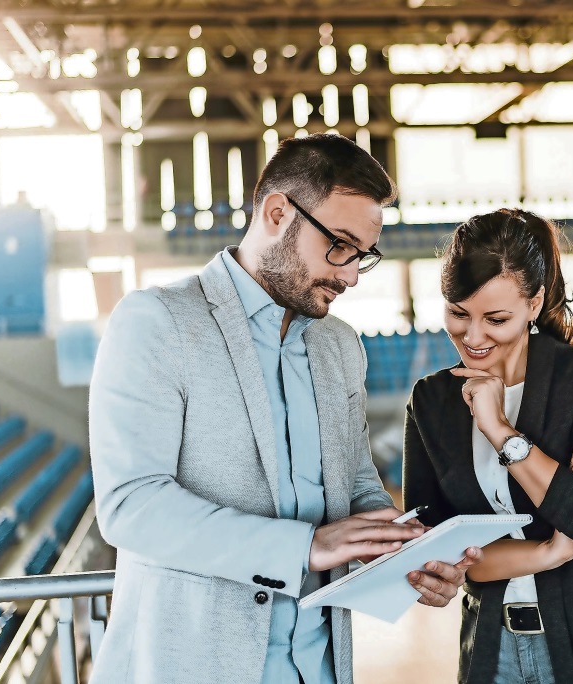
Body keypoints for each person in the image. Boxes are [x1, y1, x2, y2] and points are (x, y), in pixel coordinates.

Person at [89, 133, 479, 684]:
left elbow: (357, 488)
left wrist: (402, 550)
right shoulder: (157, 323)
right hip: (192, 666)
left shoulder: (339, 345)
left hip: (316, 667)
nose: (347, 274)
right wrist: (304, 546)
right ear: (277, 213)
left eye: (362, 256)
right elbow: (131, 504)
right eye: (339, 245)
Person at [403, 208, 573, 683]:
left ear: (534, 303)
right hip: (493, 648)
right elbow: (440, 546)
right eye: (458, 313)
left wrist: (501, 431)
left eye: (496, 318)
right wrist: (551, 550)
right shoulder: (431, 400)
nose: (473, 336)